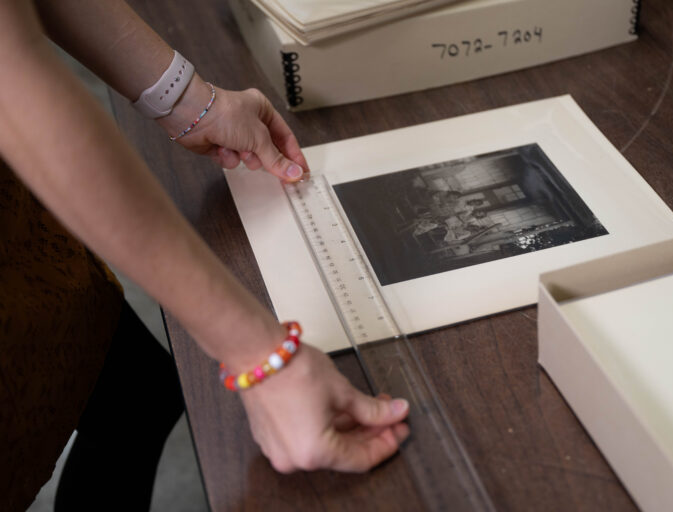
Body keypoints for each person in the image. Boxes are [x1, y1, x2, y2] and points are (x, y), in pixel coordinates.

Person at [0, 1, 410, 510]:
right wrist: (258, 357)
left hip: (23, 249)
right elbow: (17, 101)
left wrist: (191, 102)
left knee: (140, 391)